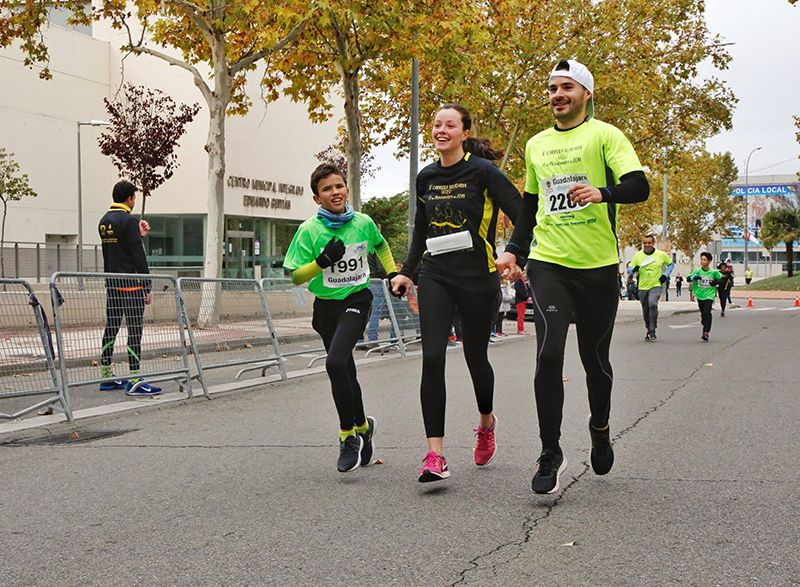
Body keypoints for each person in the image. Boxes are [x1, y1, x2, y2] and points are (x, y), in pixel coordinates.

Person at [496, 59, 650, 494]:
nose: (557, 95)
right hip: (549, 262)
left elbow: (639, 186)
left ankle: (599, 428)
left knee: (595, 362)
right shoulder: (536, 144)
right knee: (548, 355)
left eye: (566, 87)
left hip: (597, 266)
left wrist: (603, 192)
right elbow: (531, 205)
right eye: (552, 88)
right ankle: (550, 451)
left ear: (586, 94)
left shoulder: (605, 135)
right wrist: (514, 250)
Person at [391, 103, 522, 483]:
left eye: (450, 125)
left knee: (475, 357)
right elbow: (421, 229)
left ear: (464, 133)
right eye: (436, 124)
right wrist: (407, 272)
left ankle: (486, 423)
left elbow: (522, 212)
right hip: (436, 275)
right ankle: (435, 455)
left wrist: (516, 253)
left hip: (478, 278)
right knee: (432, 357)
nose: (441, 130)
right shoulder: (426, 177)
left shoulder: (483, 172)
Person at [283, 163, 398, 473]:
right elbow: (295, 276)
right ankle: (364, 427)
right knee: (345, 370)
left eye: (338, 186)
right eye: (326, 189)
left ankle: (347, 435)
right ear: (317, 198)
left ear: (346, 189)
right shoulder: (309, 230)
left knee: (335, 362)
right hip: (326, 308)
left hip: (356, 300)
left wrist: (392, 273)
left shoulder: (363, 223)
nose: (334, 192)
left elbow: (380, 245)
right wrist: (321, 262)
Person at [97, 180, 161, 396]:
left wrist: (137, 234)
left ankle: (106, 376)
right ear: (129, 198)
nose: (134, 201)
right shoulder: (128, 221)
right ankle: (134, 379)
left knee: (111, 327)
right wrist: (147, 286)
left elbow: (118, 250)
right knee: (134, 331)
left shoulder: (104, 221)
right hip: (132, 286)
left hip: (112, 285)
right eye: (134, 197)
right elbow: (137, 255)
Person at [630, 235, 674, 342]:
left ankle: (653, 329)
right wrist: (633, 270)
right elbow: (630, 269)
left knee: (653, 304)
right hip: (642, 286)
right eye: (645, 243)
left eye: (649, 243)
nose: (647, 245)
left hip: (656, 284)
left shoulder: (660, 254)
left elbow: (671, 264)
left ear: (653, 243)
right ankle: (648, 328)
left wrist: (665, 275)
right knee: (646, 310)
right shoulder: (638, 255)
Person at [688, 252, 722, 341]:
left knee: (707, 312)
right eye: (701, 259)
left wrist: (715, 282)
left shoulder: (714, 272)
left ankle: (706, 332)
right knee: (703, 313)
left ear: (709, 261)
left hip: (709, 295)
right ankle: (704, 321)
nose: (702, 261)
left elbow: (721, 279)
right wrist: (693, 278)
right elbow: (688, 278)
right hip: (700, 295)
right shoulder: (697, 271)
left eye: (705, 260)